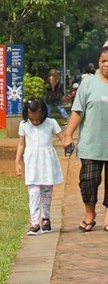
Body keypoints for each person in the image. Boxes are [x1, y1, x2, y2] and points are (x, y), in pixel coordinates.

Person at [62, 45, 108, 232]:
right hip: (91, 144)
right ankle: (89, 214)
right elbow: (77, 111)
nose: (106, 65)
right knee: (88, 180)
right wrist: (68, 135)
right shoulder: (88, 83)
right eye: (103, 61)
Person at [15, 98, 65, 235]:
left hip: (47, 162)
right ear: (27, 114)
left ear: (44, 114)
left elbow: (62, 138)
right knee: (34, 192)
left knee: (47, 192)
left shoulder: (51, 123)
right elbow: (21, 144)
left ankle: (46, 218)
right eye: (33, 119)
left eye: (39, 119)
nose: (36, 122)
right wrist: (18, 162)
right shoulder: (24, 125)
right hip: (32, 162)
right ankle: (35, 223)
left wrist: (68, 143)